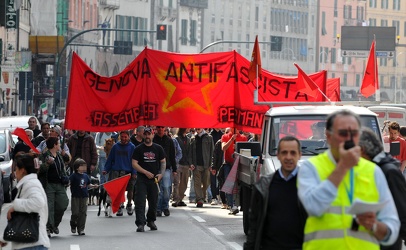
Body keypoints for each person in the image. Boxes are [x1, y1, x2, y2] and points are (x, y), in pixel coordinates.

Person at [298, 110, 400, 249]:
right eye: (343, 133)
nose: (349, 139)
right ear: (328, 136)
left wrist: (374, 226)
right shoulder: (311, 167)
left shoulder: (373, 171)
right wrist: (343, 166)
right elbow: (313, 207)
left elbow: (392, 227)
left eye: (354, 133)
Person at [244, 136, 307, 250]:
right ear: (278, 155)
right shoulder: (263, 186)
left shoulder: (309, 186)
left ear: (299, 155)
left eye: (293, 153)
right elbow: (254, 225)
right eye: (284, 152)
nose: (288, 157)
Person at [359, 128, 406, 250]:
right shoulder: (371, 169)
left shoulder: (388, 171)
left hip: (386, 243)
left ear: (362, 150)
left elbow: (401, 210)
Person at [1, 153, 50, 249]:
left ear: (22, 170)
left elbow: (38, 202)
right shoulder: (27, 184)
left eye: (16, 169)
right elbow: (21, 218)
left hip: (32, 244)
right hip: (30, 242)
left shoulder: (31, 184)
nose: (15, 172)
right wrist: (5, 239)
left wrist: (15, 206)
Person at [132, 127, 166, 232]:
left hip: (154, 180)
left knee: (153, 201)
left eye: (149, 134)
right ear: (143, 135)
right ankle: (140, 223)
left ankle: (151, 221)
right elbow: (134, 163)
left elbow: (163, 162)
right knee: (140, 201)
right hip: (142, 179)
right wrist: (145, 172)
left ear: (152, 135)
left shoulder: (158, 148)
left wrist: (161, 174)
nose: (147, 136)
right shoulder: (138, 149)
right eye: (145, 134)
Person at [38, 137, 69, 238]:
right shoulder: (44, 156)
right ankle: (48, 227)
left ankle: (54, 224)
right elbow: (39, 170)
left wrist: (65, 179)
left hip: (59, 184)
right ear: (55, 145)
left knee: (63, 204)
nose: (60, 145)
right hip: (49, 185)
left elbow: (63, 168)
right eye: (58, 143)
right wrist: (47, 164)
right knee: (49, 207)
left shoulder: (59, 155)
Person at [103, 130, 136, 216]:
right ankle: (120, 206)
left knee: (130, 190)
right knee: (119, 191)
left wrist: (134, 172)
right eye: (122, 137)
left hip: (128, 172)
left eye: (125, 137)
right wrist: (106, 169)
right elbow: (110, 159)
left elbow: (134, 161)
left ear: (128, 137)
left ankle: (129, 204)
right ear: (119, 137)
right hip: (116, 172)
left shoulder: (132, 147)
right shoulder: (115, 147)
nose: (124, 139)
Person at [221, 127, 247, 214]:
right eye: (233, 127)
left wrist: (238, 148)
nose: (235, 129)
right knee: (229, 184)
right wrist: (232, 139)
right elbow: (224, 148)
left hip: (239, 164)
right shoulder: (225, 136)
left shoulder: (243, 138)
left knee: (239, 185)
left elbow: (246, 152)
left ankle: (239, 204)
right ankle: (231, 205)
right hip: (228, 163)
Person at [69, 158, 98, 236]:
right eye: (82, 166)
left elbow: (88, 184)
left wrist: (93, 186)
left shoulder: (86, 176)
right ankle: (73, 223)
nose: (85, 167)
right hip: (75, 196)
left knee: (83, 213)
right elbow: (69, 182)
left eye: (85, 166)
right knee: (75, 212)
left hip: (84, 196)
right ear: (77, 167)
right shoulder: (73, 176)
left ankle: (81, 229)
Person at [153, 125, 177, 217]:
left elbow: (172, 155)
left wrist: (174, 169)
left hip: (166, 168)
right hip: (155, 168)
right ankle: (158, 208)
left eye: (162, 128)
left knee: (166, 188)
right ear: (156, 129)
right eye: (158, 127)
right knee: (158, 190)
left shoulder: (169, 140)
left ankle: (165, 206)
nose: (160, 129)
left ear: (165, 129)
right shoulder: (153, 139)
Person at [189, 128, 214, 207]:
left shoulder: (209, 138)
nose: (197, 129)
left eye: (199, 128)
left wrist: (211, 164)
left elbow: (212, 152)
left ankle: (202, 196)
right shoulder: (193, 138)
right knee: (197, 183)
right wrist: (190, 163)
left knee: (206, 183)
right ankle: (199, 200)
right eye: (196, 128)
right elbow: (190, 152)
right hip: (196, 165)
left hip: (206, 165)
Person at [172, 128, 191, 207]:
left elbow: (190, 152)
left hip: (186, 163)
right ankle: (176, 199)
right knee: (177, 182)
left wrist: (190, 163)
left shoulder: (188, 139)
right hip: (178, 163)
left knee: (184, 183)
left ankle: (180, 199)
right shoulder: (176, 139)